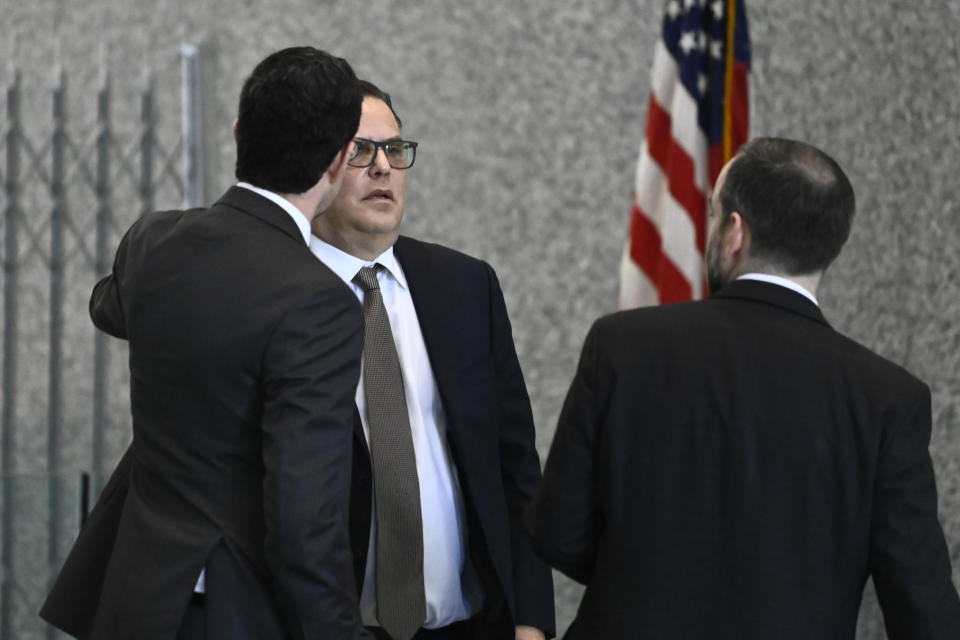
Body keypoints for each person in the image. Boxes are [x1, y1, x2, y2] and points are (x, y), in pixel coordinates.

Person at [528, 137, 960, 639]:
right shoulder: (888, 398)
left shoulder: (622, 344)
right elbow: (923, 608)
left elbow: (558, 531)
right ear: (830, 245)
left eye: (712, 214)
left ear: (735, 232)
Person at [39, 46, 372, 640]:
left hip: (136, 603)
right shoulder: (318, 301)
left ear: (240, 131)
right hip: (235, 611)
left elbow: (106, 305)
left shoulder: (154, 241)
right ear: (342, 158)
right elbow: (303, 519)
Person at [308, 80, 555, 640]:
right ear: (316, 171)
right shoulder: (277, 292)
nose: (383, 168)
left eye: (394, 149)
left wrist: (532, 620)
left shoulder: (465, 285)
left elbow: (514, 465)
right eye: (359, 151)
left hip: (470, 626)